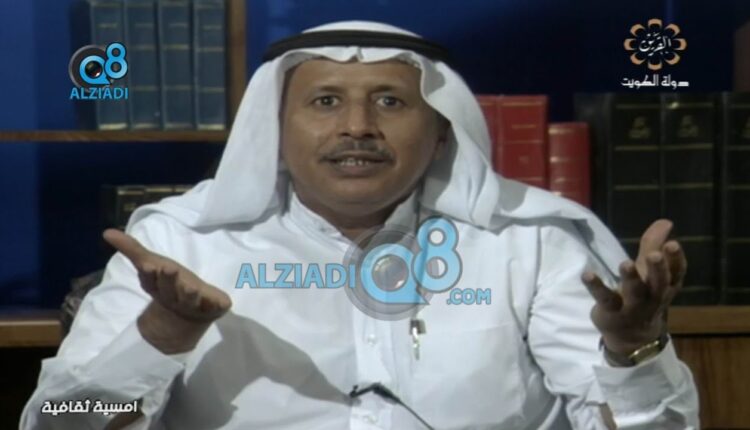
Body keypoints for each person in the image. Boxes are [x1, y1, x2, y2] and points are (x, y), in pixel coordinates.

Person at [21, 21, 699, 429]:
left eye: (390, 102)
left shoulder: (532, 240)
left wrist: (632, 353)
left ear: (441, 131)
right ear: (275, 130)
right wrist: (161, 336)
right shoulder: (178, 241)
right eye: (324, 102)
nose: (357, 127)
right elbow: (56, 422)